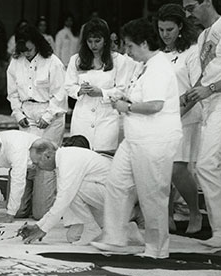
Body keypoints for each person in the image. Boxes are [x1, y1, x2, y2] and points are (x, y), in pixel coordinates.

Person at [91, 18, 182, 259]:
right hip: (135, 138)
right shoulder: (144, 65)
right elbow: (138, 96)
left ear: (143, 43)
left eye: (129, 46)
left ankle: (157, 248)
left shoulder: (160, 67)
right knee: (117, 184)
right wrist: (123, 99)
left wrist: (126, 107)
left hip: (155, 140)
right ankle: (115, 237)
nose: (126, 51)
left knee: (152, 194)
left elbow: (154, 105)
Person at [18, 139, 143, 246]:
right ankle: (123, 228)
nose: (36, 167)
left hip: (122, 198)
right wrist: (38, 226)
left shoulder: (68, 161)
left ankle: (103, 226)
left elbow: (63, 200)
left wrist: (43, 229)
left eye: (37, 163)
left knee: (73, 190)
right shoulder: (62, 160)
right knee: (73, 236)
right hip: (112, 197)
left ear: (47, 156)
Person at [156, 3, 203, 234]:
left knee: (177, 169)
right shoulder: (158, 53)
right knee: (162, 170)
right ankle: (166, 217)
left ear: (180, 28)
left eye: (170, 30)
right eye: (162, 29)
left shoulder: (192, 51)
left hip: (186, 117)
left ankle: (195, 213)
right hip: (161, 117)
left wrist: (177, 113)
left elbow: (197, 87)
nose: (165, 35)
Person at [183, 0, 221, 247]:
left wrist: (211, 89)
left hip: (218, 100)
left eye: (191, 7)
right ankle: (218, 231)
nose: (188, 14)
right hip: (209, 105)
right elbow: (203, 76)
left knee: (207, 164)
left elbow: (211, 82)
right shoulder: (202, 37)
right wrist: (186, 96)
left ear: (207, 1)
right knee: (205, 166)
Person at [64, 18, 132, 153]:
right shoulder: (76, 60)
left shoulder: (119, 60)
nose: (93, 45)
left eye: (97, 41)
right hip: (82, 115)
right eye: (89, 41)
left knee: (103, 157)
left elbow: (122, 90)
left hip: (107, 116)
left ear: (105, 40)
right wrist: (79, 90)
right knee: (80, 155)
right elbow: (68, 86)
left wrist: (101, 92)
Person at [7, 24, 67, 145]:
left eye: (29, 50)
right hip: (26, 113)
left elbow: (60, 93)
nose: (26, 54)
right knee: (27, 154)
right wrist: (18, 114)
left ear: (37, 44)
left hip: (50, 113)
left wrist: (48, 116)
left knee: (47, 155)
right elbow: (13, 93)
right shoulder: (15, 62)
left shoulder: (53, 62)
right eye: (23, 51)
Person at [0, 129, 42, 223]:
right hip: (24, 170)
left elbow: (18, 180)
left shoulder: (14, 146)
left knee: (40, 214)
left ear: (0, 146)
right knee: (19, 213)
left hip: (43, 166)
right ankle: (34, 196)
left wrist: (10, 214)